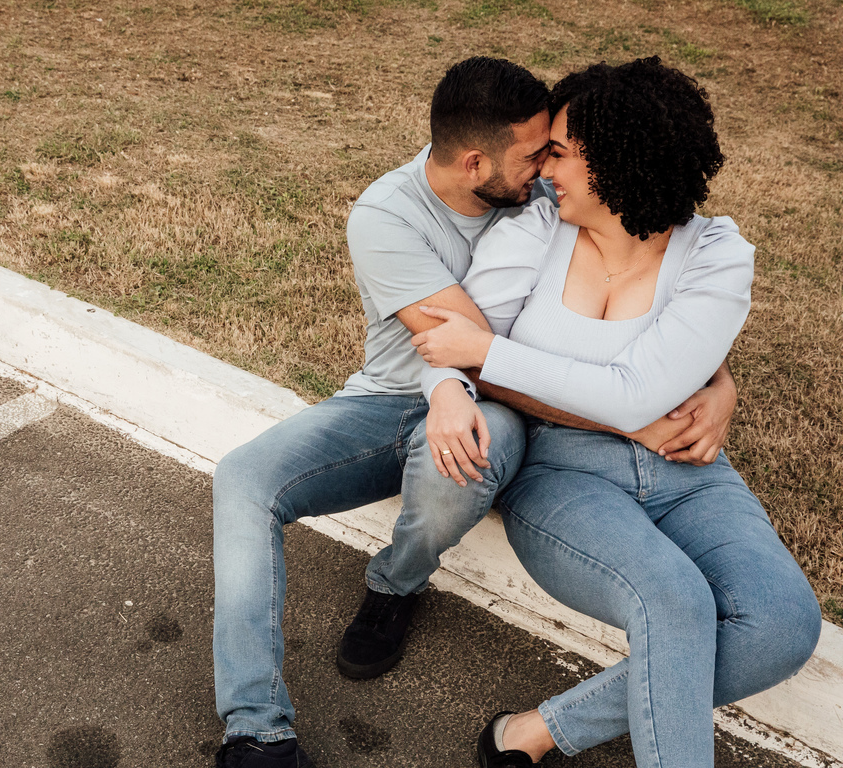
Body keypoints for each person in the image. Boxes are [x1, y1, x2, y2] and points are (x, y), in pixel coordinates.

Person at [211, 56, 739, 768]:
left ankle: (395, 582)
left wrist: (718, 379)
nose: (546, 169)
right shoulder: (388, 217)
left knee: (462, 458)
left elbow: (640, 286)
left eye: (553, 152)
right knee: (243, 480)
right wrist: (628, 417)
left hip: (504, 409)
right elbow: (466, 350)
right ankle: (256, 731)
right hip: (393, 397)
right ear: (473, 164)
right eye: (534, 156)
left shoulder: (547, 194)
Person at [410, 57, 821, 768]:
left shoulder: (716, 255)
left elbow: (635, 394)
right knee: (674, 600)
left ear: (617, 163)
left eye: (560, 154)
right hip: (562, 473)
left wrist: (491, 351)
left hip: (689, 471)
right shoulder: (536, 230)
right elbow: (450, 347)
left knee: (783, 624)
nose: (544, 171)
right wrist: (467, 360)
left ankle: (537, 731)